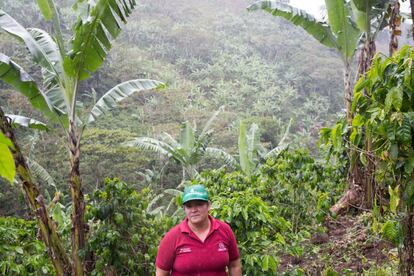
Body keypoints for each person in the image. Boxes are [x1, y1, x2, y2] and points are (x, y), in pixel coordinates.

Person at [155, 184, 242, 276]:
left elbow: (234, 265)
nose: (194, 210)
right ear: (184, 209)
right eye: (189, 206)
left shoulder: (224, 230)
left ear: (208, 205)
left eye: (199, 204)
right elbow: (161, 272)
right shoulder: (173, 236)